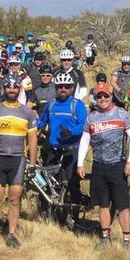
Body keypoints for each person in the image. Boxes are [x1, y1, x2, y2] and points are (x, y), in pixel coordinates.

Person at [0, 76, 38, 250]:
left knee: (15, 199)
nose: (11, 90)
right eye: (8, 87)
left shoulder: (27, 112)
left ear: (19, 89)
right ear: (3, 89)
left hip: (18, 160)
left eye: (14, 87)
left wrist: (32, 164)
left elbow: (32, 140)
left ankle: (11, 234)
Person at [77, 83, 130, 247]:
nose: (103, 99)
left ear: (111, 96)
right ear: (95, 98)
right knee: (103, 204)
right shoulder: (91, 117)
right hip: (99, 165)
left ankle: (126, 239)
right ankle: (105, 237)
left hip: (118, 165)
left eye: (105, 95)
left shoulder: (122, 114)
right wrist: (80, 163)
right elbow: (85, 141)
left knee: (122, 205)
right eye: (99, 96)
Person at [36, 71, 88, 200]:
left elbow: (84, 125)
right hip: (55, 146)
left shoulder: (77, 105)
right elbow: (42, 121)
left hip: (72, 147)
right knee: (48, 179)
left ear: (71, 88)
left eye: (66, 86)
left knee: (71, 180)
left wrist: (71, 132)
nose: (63, 89)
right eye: (60, 86)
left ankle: (75, 206)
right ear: (56, 88)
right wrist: (27, 124)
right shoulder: (52, 104)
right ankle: (49, 209)